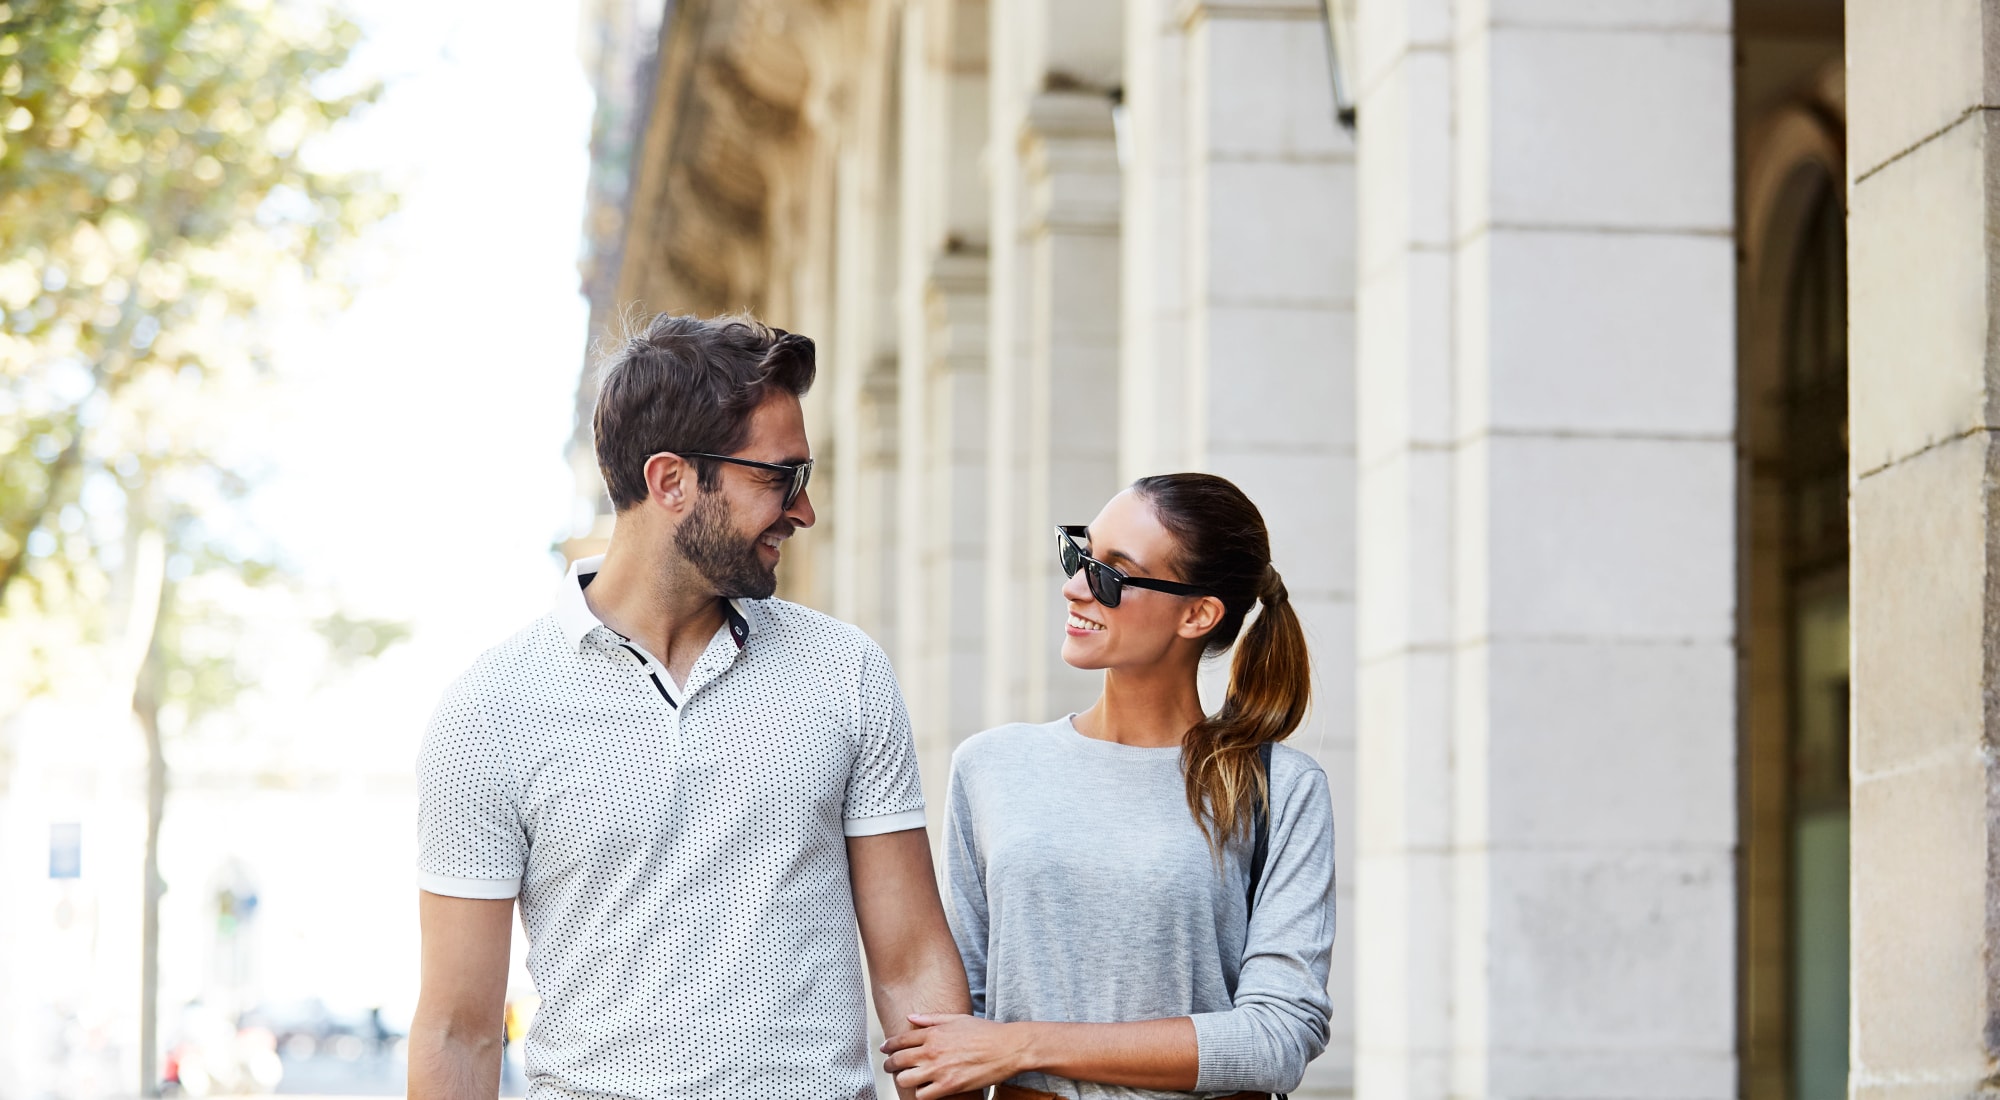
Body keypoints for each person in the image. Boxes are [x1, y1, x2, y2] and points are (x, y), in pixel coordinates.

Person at [408, 313, 977, 1100]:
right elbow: (458, 1032)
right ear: (670, 480)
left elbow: (914, 970)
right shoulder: (492, 712)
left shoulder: (846, 672)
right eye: (780, 477)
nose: (803, 511)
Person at [883, 473, 1337, 1100]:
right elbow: (955, 1021)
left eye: (1111, 574)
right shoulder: (992, 765)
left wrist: (1024, 1044)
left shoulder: (1278, 787)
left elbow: (1278, 1038)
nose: (1073, 587)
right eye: (1080, 554)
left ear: (1198, 614)